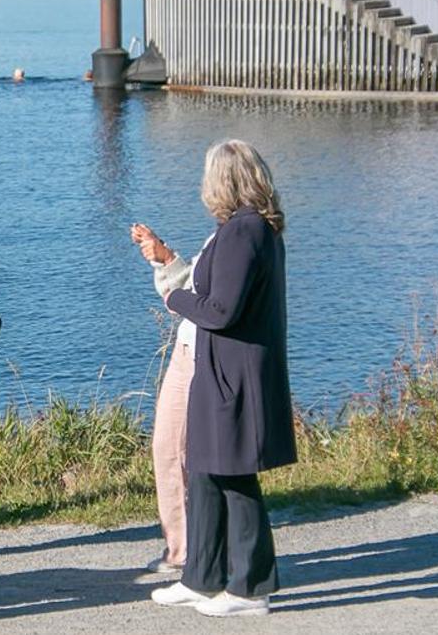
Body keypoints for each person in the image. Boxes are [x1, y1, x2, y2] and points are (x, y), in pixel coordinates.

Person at [150, 139, 295, 618]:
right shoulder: (251, 230)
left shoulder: (242, 232)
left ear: (223, 182)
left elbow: (221, 309)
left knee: (234, 477)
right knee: (205, 471)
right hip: (221, 368)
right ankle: (202, 576)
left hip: (233, 371)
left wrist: (175, 297)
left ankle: (251, 588)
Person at [128, 221, 209, 576]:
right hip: (188, 342)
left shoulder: (239, 236)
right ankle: (184, 543)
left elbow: (204, 299)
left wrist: (173, 289)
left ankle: (186, 550)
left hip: (201, 347)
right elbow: (195, 285)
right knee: (170, 447)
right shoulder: (221, 236)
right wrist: (165, 258)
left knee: (176, 447)